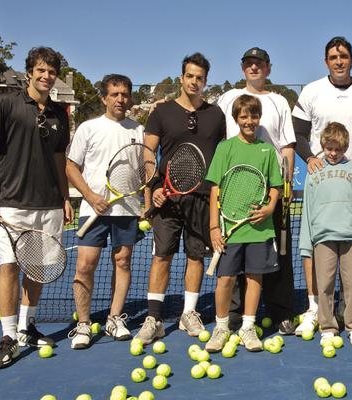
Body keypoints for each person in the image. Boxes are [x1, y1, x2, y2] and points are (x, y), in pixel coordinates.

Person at [0, 47, 73, 368]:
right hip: (11, 204)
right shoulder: (5, 103)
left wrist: (64, 197)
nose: (47, 76)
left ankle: (26, 326)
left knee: (38, 270)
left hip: (49, 206)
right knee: (9, 266)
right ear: (30, 71)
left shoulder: (60, 114)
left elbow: (59, 159)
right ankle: (7, 336)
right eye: (41, 70)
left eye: (52, 71)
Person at [135, 53, 226, 344]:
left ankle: (189, 313)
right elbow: (148, 152)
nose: (194, 82)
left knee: (195, 256)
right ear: (181, 78)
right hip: (167, 198)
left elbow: (221, 154)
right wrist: (153, 186)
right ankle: (154, 319)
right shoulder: (161, 113)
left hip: (201, 197)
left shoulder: (217, 115)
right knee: (162, 255)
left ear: (205, 81)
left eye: (200, 78)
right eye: (190, 76)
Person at [292, 36, 352, 335]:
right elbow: (299, 133)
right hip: (323, 183)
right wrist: (310, 158)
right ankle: (319, 312)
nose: (339, 61)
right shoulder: (312, 92)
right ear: (326, 61)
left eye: (343, 56)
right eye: (333, 57)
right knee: (322, 266)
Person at [217, 47, 297, 335]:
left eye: (259, 64)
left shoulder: (279, 102)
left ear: (268, 68)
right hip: (236, 193)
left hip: (271, 191)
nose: (254, 68)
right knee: (235, 254)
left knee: (278, 253)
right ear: (242, 68)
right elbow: (221, 139)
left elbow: (287, 146)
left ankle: (281, 312)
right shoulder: (226, 99)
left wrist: (285, 185)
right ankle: (236, 315)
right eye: (249, 64)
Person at [65, 74, 146, 349]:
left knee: (122, 262)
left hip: (127, 209)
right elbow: (71, 167)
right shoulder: (88, 128)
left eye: (124, 94)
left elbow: (145, 171)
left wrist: (144, 203)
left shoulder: (139, 130)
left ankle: (114, 318)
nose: (120, 99)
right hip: (93, 209)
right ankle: (84, 325)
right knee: (84, 265)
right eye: (114, 94)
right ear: (104, 98)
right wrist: (90, 195)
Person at [205, 94, 282, 352]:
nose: (249, 121)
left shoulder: (267, 150)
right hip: (228, 230)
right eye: (244, 116)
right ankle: (221, 326)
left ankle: (248, 327)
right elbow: (215, 189)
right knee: (225, 279)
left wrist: (270, 208)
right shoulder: (225, 148)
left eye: (254, 115)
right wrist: (214, 227)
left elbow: (275, 186)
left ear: (259, 118)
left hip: (259, 228)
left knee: (254, 278)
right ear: (236, 118)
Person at [298, 122, 352, 344]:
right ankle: (327, 327)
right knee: (325, 284)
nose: (333, 153)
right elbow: (308, 207)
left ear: (345, 147)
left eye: (338, 149)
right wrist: (306, 241)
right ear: (323, 145)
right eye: (329, 148)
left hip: (351, 237)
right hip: (322, 237)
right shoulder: (314, 171)